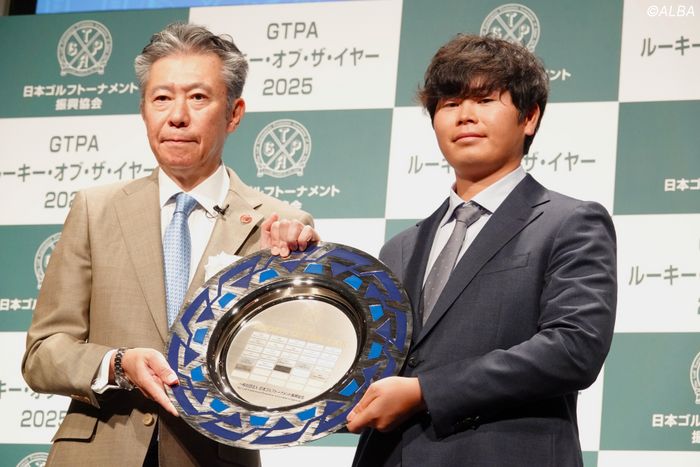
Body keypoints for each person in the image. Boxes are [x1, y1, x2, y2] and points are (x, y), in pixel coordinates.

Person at [22, 23, 317, 467]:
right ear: (143, 110)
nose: (177, 116)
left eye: (198, 97)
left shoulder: (280, 226)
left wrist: (307, 271)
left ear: (234, 113)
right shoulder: (95, 211)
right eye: (161, 98)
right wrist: (118, 364)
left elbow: (299, 372)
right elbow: (42, 354)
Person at [347, 34, 617, 467]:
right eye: (450, 103)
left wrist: (426, 392)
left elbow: (573, 349)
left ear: (530, 117)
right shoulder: (399, 247)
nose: (465, 115)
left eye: (485, 100)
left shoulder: (570, 222)